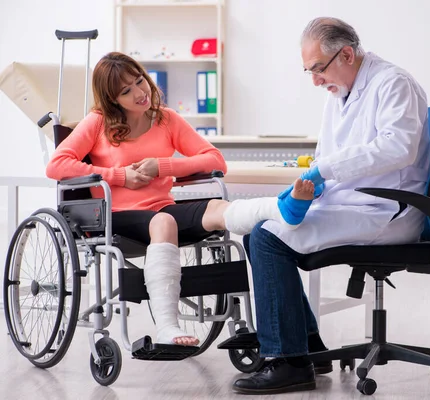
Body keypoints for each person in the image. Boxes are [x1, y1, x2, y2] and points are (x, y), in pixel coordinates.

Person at [45, 51, 316, 347]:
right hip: (114, 215)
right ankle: (167, 328)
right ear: (112, 99)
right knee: (164, 221)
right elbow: (57, 165)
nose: (139, 93)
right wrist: (119, 175)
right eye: (126, 91)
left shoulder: (166, 119)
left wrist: (162, 165)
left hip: (162, 210)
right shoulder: (97, 122)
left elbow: (215, 160)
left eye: (139, 81)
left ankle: (280, 208)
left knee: (215, 208)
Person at [232, 17, 430, 394]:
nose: (315, 81)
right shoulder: (338, 93)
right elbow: (328, 155)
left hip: (387, 210)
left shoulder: (394, 84)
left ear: (346, 54)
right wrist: (310, 185)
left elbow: (398, 147)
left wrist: (324, 170)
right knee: (262, 231)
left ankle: (288, 363)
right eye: (308, 71)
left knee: (267, 239)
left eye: (318, 69)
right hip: (352, 203)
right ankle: (310, 349)